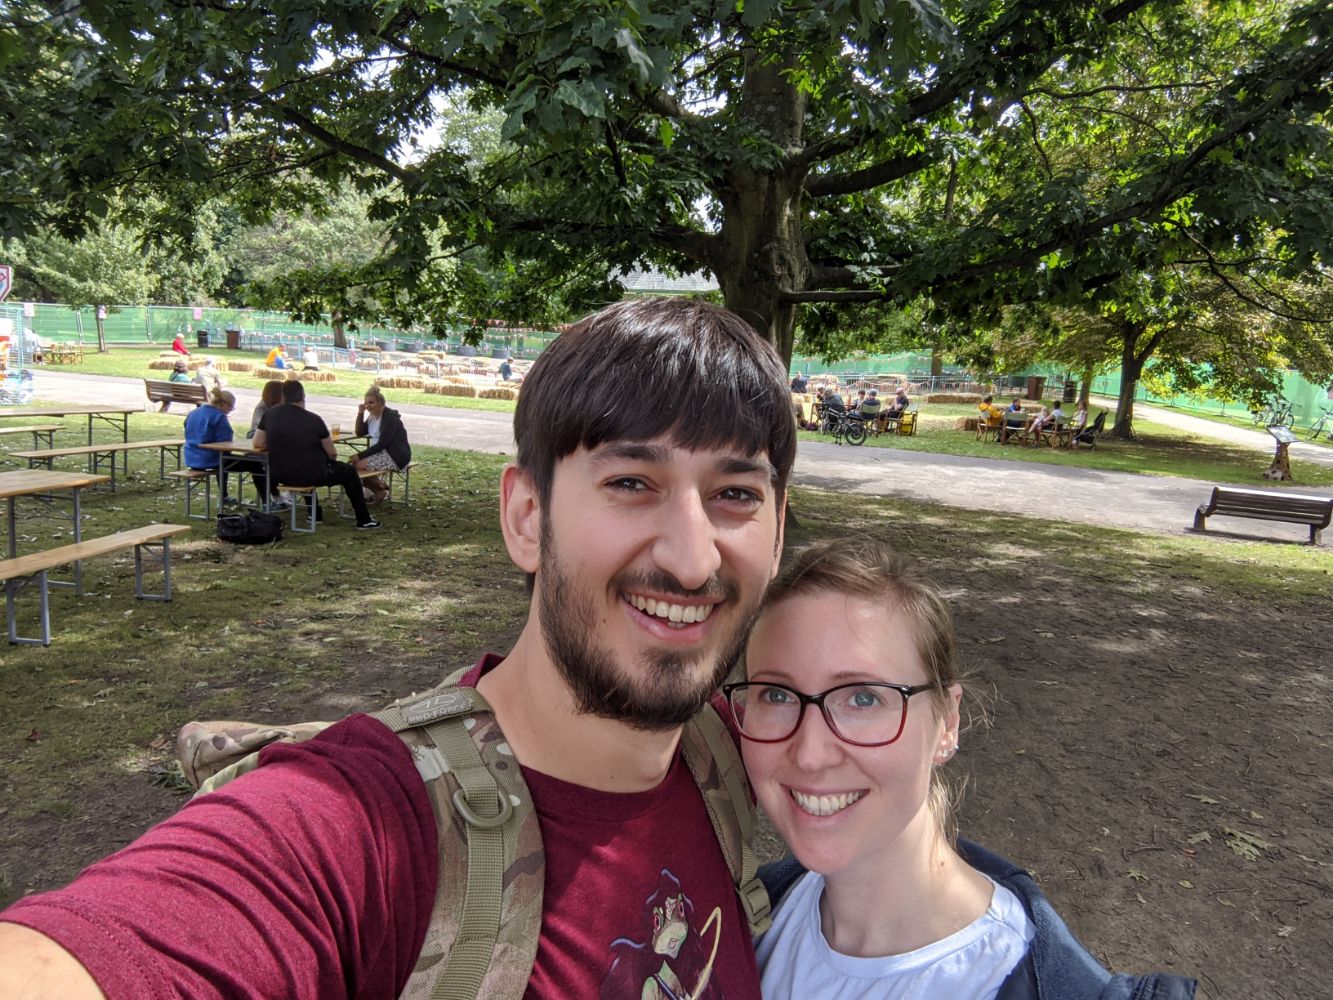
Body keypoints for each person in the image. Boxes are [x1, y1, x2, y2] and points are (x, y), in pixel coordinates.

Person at [0, 296, 796, 999]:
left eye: (734, 495)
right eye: (631, 483)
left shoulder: (736, 754)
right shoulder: (359, 828)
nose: (693, 559)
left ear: (778, 526)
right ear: (526, 517)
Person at [727, 537, 1197, 1000]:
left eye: (863, 698)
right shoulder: (734, 920)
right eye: (776, 694)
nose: (810, 753)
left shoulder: (1029, 984)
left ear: (947, 724)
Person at [252, 380, 379, 529]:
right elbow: (332, 453)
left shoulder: (270, 414)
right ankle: (363, 519)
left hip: (279, 473)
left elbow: (258, 442)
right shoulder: (314, 419)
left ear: (283, 396)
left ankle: (315, 513)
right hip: (312, 473)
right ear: (303, 397)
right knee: (349, 472)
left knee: (303, 465)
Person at [352, 385, 412, 504]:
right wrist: (360, 413)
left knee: (356, 466)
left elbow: (382, 444)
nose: (368, 406)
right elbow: (359, 432)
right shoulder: (372, 417)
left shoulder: (389, 417)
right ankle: (379, 488)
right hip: (382, 452)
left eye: (371, 403)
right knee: (353, 466)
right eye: (366, 403)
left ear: (381, 403)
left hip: (395, 455)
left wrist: (360, 455)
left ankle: (378, 489)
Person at [183, 388, 237, 502]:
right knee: (255, 465)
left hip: (192, 458)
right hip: (211, 459)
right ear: (223, 404)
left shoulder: (193, 413)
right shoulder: (219, 417)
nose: (230, 411)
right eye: (231, 408)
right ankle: (269, 500)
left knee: (223, 460)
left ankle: (224, 495)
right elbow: (225, 443)